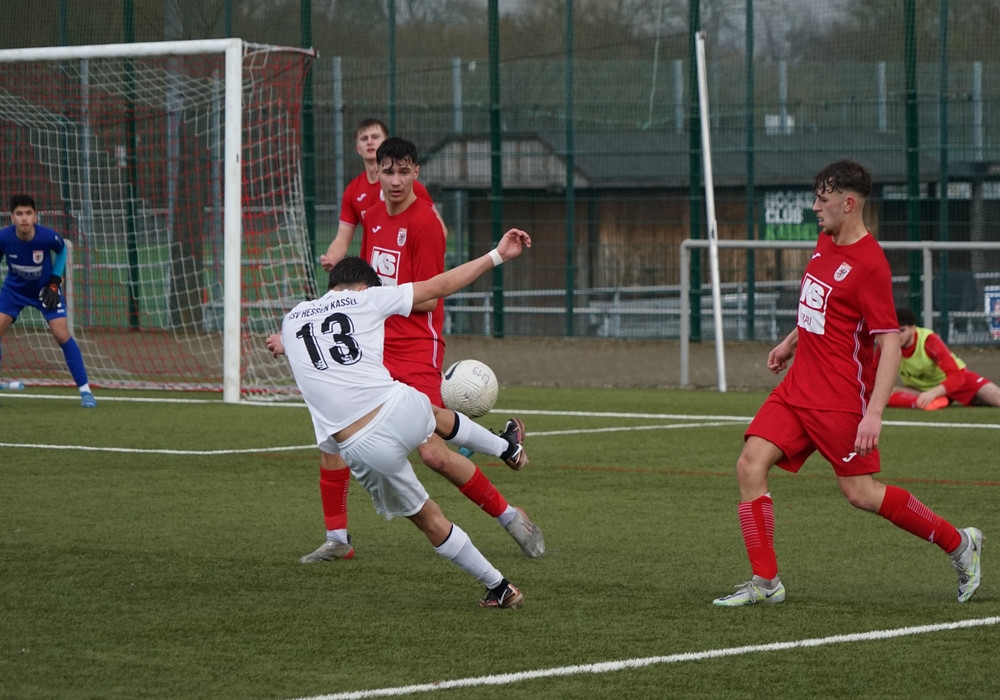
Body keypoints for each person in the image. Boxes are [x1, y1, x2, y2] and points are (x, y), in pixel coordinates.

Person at [713, 160, 982, 606]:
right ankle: (766, 582)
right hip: (797, 388)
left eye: (823, 199)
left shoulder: (871, 265)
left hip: (840, 398)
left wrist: (874, 413)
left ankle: (960, 543)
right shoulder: (825, 241)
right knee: (749, 465)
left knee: (862, 493)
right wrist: (789, 343)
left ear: (849, 203)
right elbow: (819, 307)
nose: (815, 207)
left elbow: (889, 344)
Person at [270, 134, 544, 564]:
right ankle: (337, 537)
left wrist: (376, 304)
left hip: (417, 343)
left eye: (403, 172)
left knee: (433, 453)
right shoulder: (373, 214)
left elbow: (432, 296)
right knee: (333, 435)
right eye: (388, 172)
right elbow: (361, 288)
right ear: (376, 173)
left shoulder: (424, 223)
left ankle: (509, 515)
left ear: (416, 172)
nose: (396, 181)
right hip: (374, 342)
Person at [280, 230, 532, 608]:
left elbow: (300, 343)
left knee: (430, 519)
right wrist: (496, 255)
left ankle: (500, 587)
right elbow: (440, 286)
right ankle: (506, 448)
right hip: (398, 406)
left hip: (364, 447)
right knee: (432, 413)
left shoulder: (292, 320)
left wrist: (281, 343)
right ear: (365, 286)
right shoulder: (368, 298)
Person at [0, 194, 97, 407]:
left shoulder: (47, 236)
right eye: (19, 214)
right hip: (14, 291)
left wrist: (54, 281)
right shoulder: (3, 238)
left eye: (28, 213)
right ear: (12, 217)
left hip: (45, 291)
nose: (24, 218)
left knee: (62, 334)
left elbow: (62, 252)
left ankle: (85, 391)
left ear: (35, 216)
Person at [887, 307, 1000, 410]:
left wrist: (933, 393)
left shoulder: (929, 341)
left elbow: (957, 377)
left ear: (913, 329)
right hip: (922, 390)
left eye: (902, 331)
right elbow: (877, 374)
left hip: (956, 381)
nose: (897, 336)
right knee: (886, 394)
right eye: (894, 331)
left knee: (996, 398)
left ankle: (937, 399)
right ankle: (935, 400)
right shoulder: (888, 345)